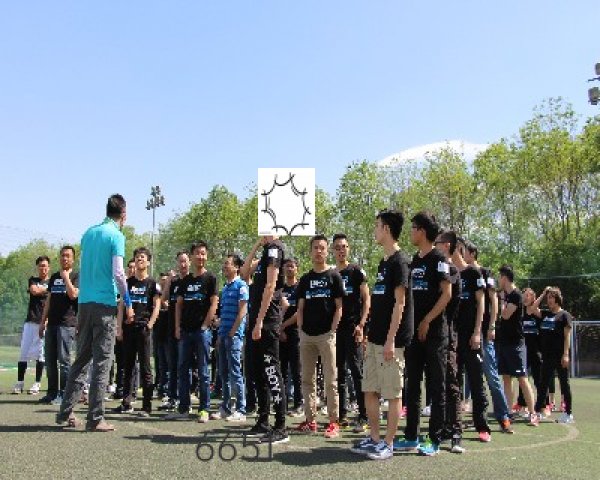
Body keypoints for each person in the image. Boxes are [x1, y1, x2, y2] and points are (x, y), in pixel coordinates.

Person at [56, 193, 134, 432]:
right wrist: (128, 301)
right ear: (123, 214)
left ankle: (65, 412)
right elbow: (119, 273)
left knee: (81, 359)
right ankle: (96, 417)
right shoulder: (116, 236)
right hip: (104, 305)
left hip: (85, 305)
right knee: (102, 361)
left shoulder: (88, 234)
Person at [350, 210, 412, 460]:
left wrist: (390, 340)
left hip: (390, 342)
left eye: (377, 226)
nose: (374, 230)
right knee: (369, 390)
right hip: (375, 339)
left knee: (393, 394)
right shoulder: (384, 263)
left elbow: (400, 303)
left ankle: (388, 443)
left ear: (386, 229)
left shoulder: (400, 262)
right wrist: (369, 334)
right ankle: (375, 438)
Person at [395, 211, 451, 457]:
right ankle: (411, 436)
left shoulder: (439, 258)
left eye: (413, 227)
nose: (410, 232)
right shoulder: (412, 262)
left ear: (423, 231)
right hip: (413, 334)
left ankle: (434, 439)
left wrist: (427, 320)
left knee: (436, 386)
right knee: (412, 385)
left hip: (435, 333)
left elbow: (447, 294)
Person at [296, 234, 344, 439]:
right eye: (315, 247)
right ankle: (310, 420)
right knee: (307, 380)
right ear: (310, 251)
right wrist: (300, 329)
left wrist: (332, 330)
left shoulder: (334, 276)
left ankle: (333, 422)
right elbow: (300, 307)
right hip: (307, 336)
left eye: (322, 248)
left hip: (326, 336)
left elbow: (339, 307)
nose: (319, 251)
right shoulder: (305, 279)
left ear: (327, 251)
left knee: (331, 381)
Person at [242, 236, 288, 444]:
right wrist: (255, 245)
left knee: (271, 372)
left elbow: (270, 286)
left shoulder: (275, 249)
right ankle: (263, 420)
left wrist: (260, 321)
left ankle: (280, 426)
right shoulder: (264, 252)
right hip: (256, 321)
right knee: (257, 372)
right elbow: (244, 273)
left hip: (267, 322)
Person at [464, 242, 513, 434]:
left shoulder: (485, 273)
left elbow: (494, 301)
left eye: (464, 251)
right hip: (464, 335)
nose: (461, 254)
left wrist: (492, 325)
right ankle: (472, 417)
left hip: (483, 335)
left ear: (472, 253)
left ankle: (503, 417)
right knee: (468, 379)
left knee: (492, 377)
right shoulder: (460, 272)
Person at [166, 242, 218, 422]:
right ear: (192, 256)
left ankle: (204, 409)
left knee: (203, 371)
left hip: (202, 332)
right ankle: (183, 408)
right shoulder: (185, 280)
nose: (200, 257)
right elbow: (178, 305)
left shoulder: (210, 278)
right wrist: (177, 327)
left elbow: (214, 304)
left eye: (203, 253)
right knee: (182, 370)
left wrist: (205, 326)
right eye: (197, 253)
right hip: (185, 332)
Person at [452, 237, 491, 443]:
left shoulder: (474, 273)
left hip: (472, 338)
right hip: (454, 339)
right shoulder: (450, 274)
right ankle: (454, 426)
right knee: (454, 383)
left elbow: (482, 303)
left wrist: (477, 332)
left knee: (476, 382)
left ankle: (482, 426)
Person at [113, 247, 161, 417]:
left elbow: (157, 306)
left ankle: (146, 406)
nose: (139, 259)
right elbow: (121, 306)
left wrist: (150, 325)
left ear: (148, 262)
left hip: (143, 330)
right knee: (127, 366)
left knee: (146, 368)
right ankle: (126, 402)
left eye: (142, 257)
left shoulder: (152, 284)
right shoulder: (127, 283)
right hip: (128, 330)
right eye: (137, 257)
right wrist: (119, 328)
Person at [332, 233, 370, 433]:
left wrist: (362, 325)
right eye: (338, 247)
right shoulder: (330, 274)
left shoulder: (356, 271)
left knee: (356, 371)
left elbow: (367, 299)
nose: (341, 250)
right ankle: (342, 415)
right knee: (337, 373)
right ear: (333, 250)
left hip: (353, 329)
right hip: (335, 331)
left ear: (349, 249)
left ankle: (364, 415)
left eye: (344, 247)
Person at [433, 230, 464, 453]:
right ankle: (441, 427)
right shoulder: (433, 268)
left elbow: (450, 306)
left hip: (447, 334)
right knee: (437, 383)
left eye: (438, 243)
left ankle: (455, 431)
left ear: (446, 246)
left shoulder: (451, 271)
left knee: (451, 381)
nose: (434, 245)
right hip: (433, 336)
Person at [496, 265, 538, 426]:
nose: (498, 280)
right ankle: (509, 411)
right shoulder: (506, 295)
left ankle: (533, 413)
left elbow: (505, 315)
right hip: (504, 342)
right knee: (506, 378)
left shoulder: (516, 295)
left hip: (516, 344)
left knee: (522, 378)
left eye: (500, 277)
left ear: (504, 277)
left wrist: (501, 301)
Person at [38, 247, 79, 405]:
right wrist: (43, 322)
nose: (64, 258)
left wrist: (66, 278)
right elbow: (48, 301)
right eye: (62, 255)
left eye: (68, 256)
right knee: (50, 360)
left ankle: (64, 394)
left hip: (67, 325)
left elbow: (73, 295)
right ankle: (51, 393)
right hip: (52, 324)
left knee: (64, 361)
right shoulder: (54, 277)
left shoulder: (76, 276)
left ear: (73, 259)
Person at [210, 254, 248, 422]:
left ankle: (241, 409)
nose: (225, 266)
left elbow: (242, 311)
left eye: (228, 264)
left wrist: (233, 332)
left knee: (235, 372)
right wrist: (220, 332)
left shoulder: (241, 285)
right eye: (224, 263)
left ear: (236, 267)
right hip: (223, 335)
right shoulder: (225, 288)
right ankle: (225, 407)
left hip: (234, 336)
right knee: (223, 373)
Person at [534, 287, 574, 423]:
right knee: (543, 384)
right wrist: (543, 293)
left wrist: (566, 354)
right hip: (547, 356)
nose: (549, 300)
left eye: (551, 297)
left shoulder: (564, 315)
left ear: (557, 299)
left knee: (564, 384)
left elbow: (567, 337)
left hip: (560, 356)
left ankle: (568, 414)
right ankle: (538, 412)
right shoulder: (545, 314)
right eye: (548, 298)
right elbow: (533, 309)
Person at [13, 256, 50, 395]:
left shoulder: (52, 282)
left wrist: (45, 289)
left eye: (45, 265)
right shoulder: (33, 280)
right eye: (40, 265)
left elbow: (50, 298)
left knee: (40, 354)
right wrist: (49, 290)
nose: (43, 268)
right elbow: (34, 290)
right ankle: (20, 382)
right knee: (23, 352)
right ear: (37, 267)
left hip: (43, 322)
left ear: (49, 267)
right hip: (30, 322)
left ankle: (37, 383)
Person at [159, 253, 191, 412]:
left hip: (187, 328)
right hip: (171, 328)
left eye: (185, 261)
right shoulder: (175, 282)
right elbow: (163, 299)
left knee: (184, 366)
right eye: (180, 262)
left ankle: (185, 398)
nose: (182, 264)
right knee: (172, 365)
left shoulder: (192, 280)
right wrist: (168, 282)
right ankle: (172, 397)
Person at [279, 257, 303, 416]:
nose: (289, 269)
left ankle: (298, 404)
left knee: (296, 371)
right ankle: (282, 404)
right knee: (281, 371)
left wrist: (284, 326)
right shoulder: (279, 289)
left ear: (296, 269)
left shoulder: (300, 288)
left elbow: (299, 312)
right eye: (286, 266)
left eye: (292, 266)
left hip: (295, 333)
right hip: (280, 335)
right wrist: (279, 330)